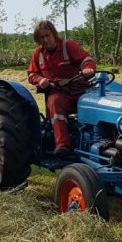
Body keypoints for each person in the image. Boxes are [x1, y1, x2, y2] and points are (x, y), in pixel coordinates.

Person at [27, 20, 96, 157]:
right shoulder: (38, 54)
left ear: (53, 34)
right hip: (59, 92)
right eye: (41, 37)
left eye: (47, 35)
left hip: (80, 90)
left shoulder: (68, 46)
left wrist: (88, 68)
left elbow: (86, 60)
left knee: (98, 102)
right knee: (55, 102)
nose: (45, 40)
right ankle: (63, 145)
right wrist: (40, 80)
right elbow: (32, 74)